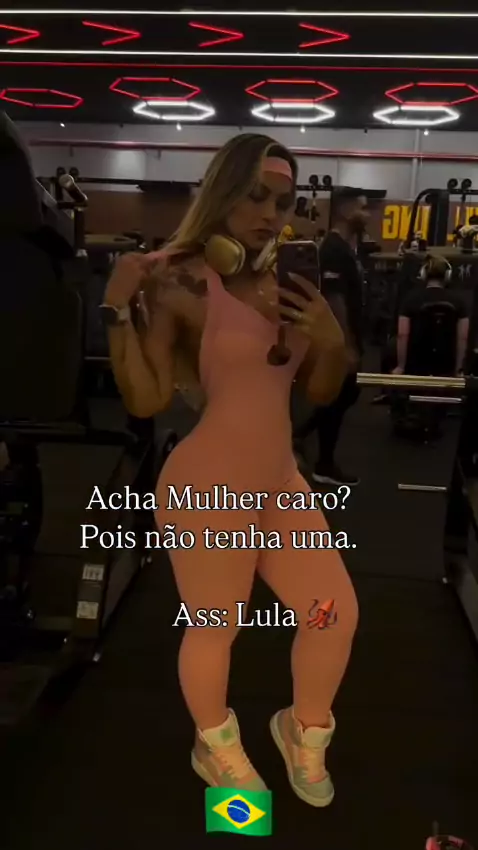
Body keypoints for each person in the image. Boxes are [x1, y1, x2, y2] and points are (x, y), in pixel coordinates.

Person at [102, 133, 358, 808]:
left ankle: (302, 730)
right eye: (255, 196)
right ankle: (214, 747)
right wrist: (116, 311)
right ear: (222, 193)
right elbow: (147, 400)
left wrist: (332, 342)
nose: (270, 214)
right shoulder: (179, 279)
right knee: (218, 624)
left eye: (283, 202)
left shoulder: (292, 281)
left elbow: (321, 391)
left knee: (333, 613)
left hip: (278, 482)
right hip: (207, 485)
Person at [294, 187, 369, 486]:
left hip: (347, 337)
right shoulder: (333, 250)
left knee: (345, 394)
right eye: (362, 208)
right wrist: (345, 346)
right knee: (339, 395)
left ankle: (299, 435)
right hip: (338, 340)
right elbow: (335, 299)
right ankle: (323, 463)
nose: (366, 214)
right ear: (345, 211)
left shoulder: (345, 247)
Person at [393, 254, 469, 376]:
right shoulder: (459, 302)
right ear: (447, 275)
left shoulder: (410, 299)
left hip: (416, 367)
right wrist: (459, 369)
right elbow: (463, 337)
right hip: (446, 367)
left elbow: (402, 334)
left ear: (423, 275)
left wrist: (401, 367)